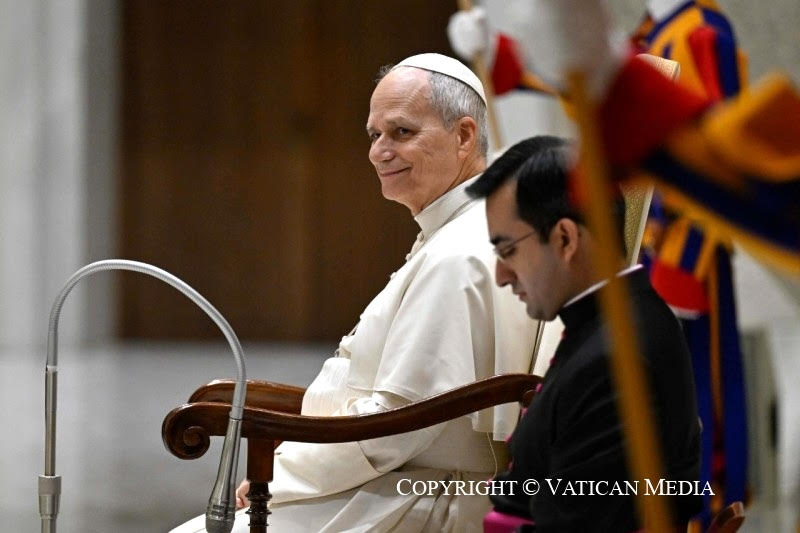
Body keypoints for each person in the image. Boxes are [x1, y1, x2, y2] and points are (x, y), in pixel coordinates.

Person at [171, 53, 542, 533]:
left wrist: (279, 476)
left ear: (464, 136)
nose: (379, 151)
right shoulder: (459, 228)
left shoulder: (458, 254)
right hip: (385, 479)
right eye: (374, 135)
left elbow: (396, 427)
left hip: (421, 497)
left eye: (402, 132)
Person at [466, 136, 703, 531]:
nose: (501, 275)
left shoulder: (615, 359)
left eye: (507, 251)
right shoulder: (616, 319)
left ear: (565, 238)